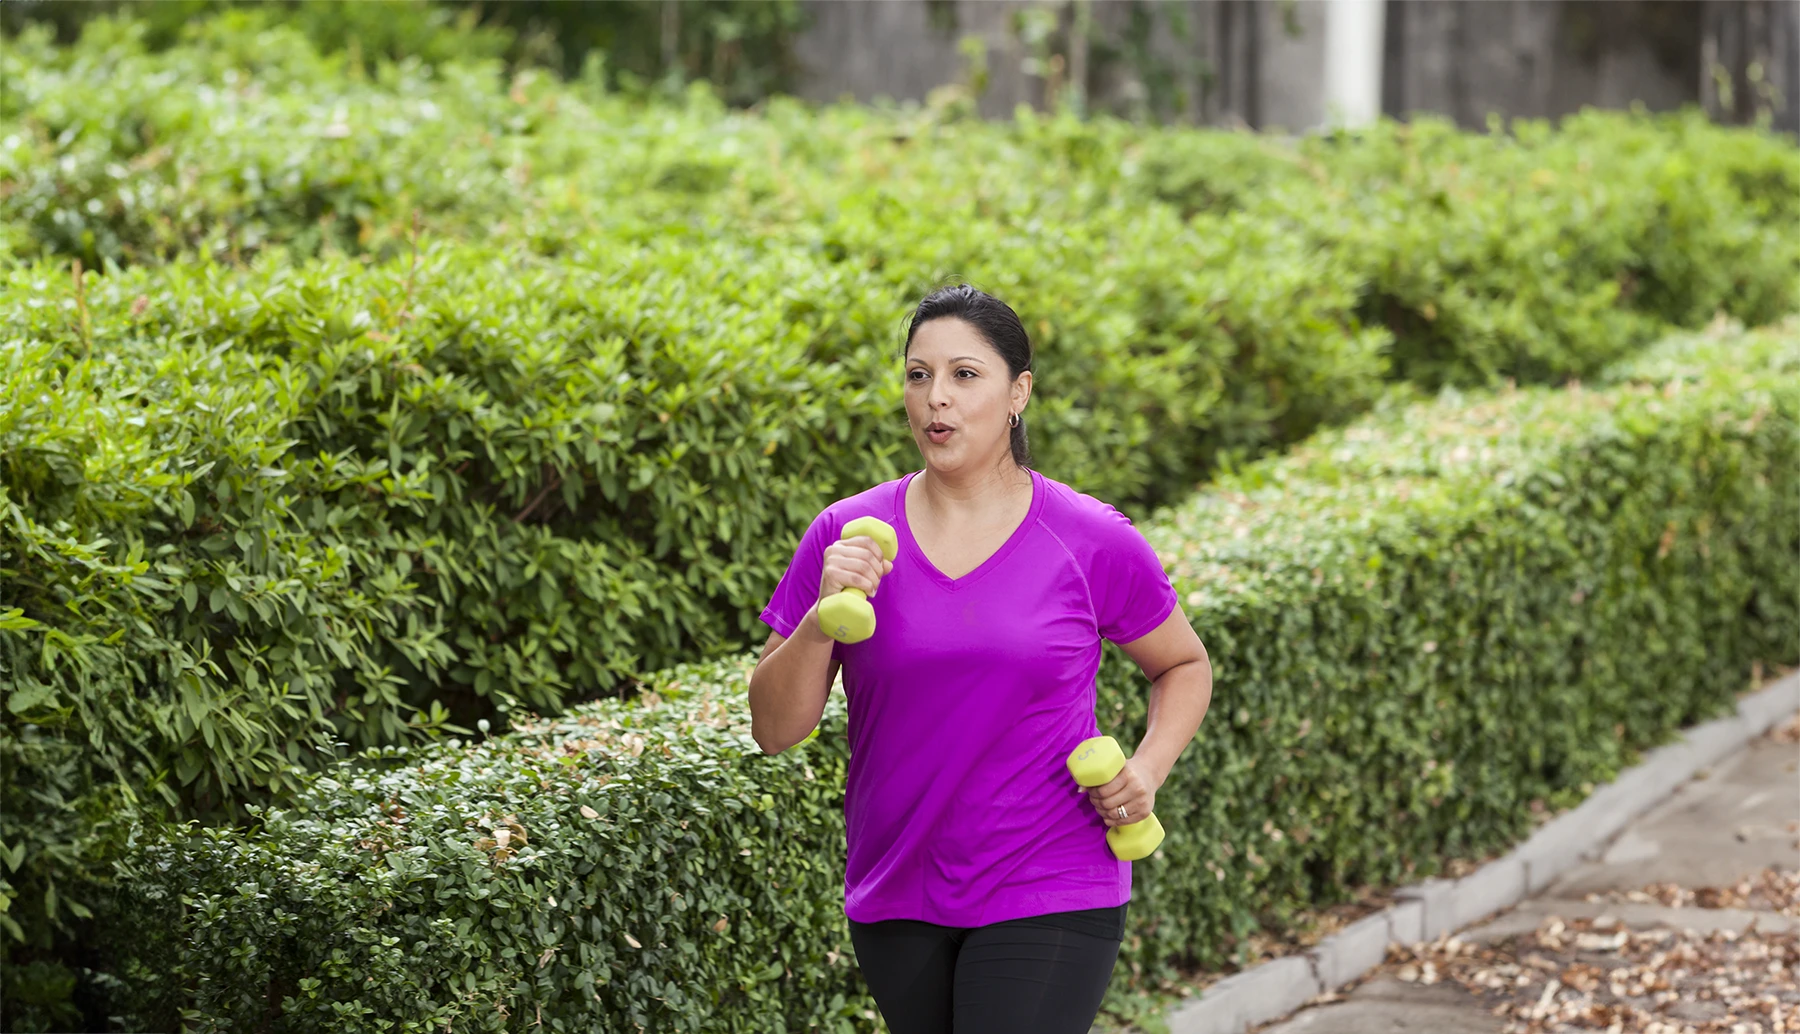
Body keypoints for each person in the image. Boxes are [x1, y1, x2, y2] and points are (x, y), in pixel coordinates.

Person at [748, 284, 1214, 1034]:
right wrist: (818, 620)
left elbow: (1183, 664)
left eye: (965, 375)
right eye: (918, 374)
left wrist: (1148, 770)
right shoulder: (847, 535)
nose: (938, 399)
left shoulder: (1088, 536)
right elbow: (774, 728)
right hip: (897, 883)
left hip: (1052, 877)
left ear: (1017, 392)